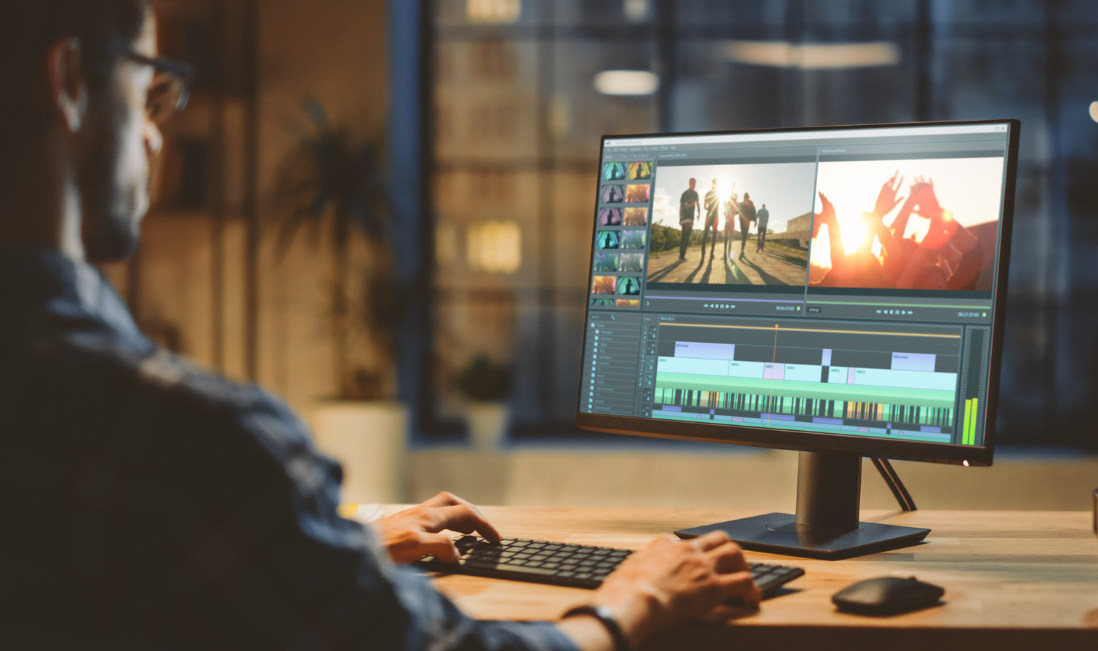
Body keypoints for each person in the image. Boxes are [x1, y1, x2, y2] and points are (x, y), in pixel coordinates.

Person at [0, 2, 761, 648]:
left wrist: (334, 549)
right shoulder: (186, 441)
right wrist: (634, 602)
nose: (155, 135)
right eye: (149, 91)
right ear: (69, 82)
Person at [678, 177, 700, 261]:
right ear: (692, 183)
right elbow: (697, 204)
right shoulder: (695, 194)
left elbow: (681, 207)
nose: (695, 185)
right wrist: (699, 213)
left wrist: (680, 218)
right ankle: (682, 255)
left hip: (684, 217)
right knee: (686, 236)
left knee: (684, 236)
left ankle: (681, 255)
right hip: (690, 218)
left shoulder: (684, 193)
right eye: (694, 183)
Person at [701, 178, 721, 260]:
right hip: (715, 215)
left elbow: (704, 206)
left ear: (712, 184)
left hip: (709, 214)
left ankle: (703, 255)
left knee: (705, 234)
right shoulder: (718, 193)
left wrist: (709, 209)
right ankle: (711, 254)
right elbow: (718, 205)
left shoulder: (708, 193)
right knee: (714, 234)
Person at [723, 190, 738, 259]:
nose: (736, 199)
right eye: (735, 198)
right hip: (729, 221)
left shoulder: (734, 204)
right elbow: (725, 208)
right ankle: (726, 252)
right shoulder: (729, 203)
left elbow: (737, 212)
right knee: (727, 237)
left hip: (730, 221)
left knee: (729, 237)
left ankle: (727, 251)